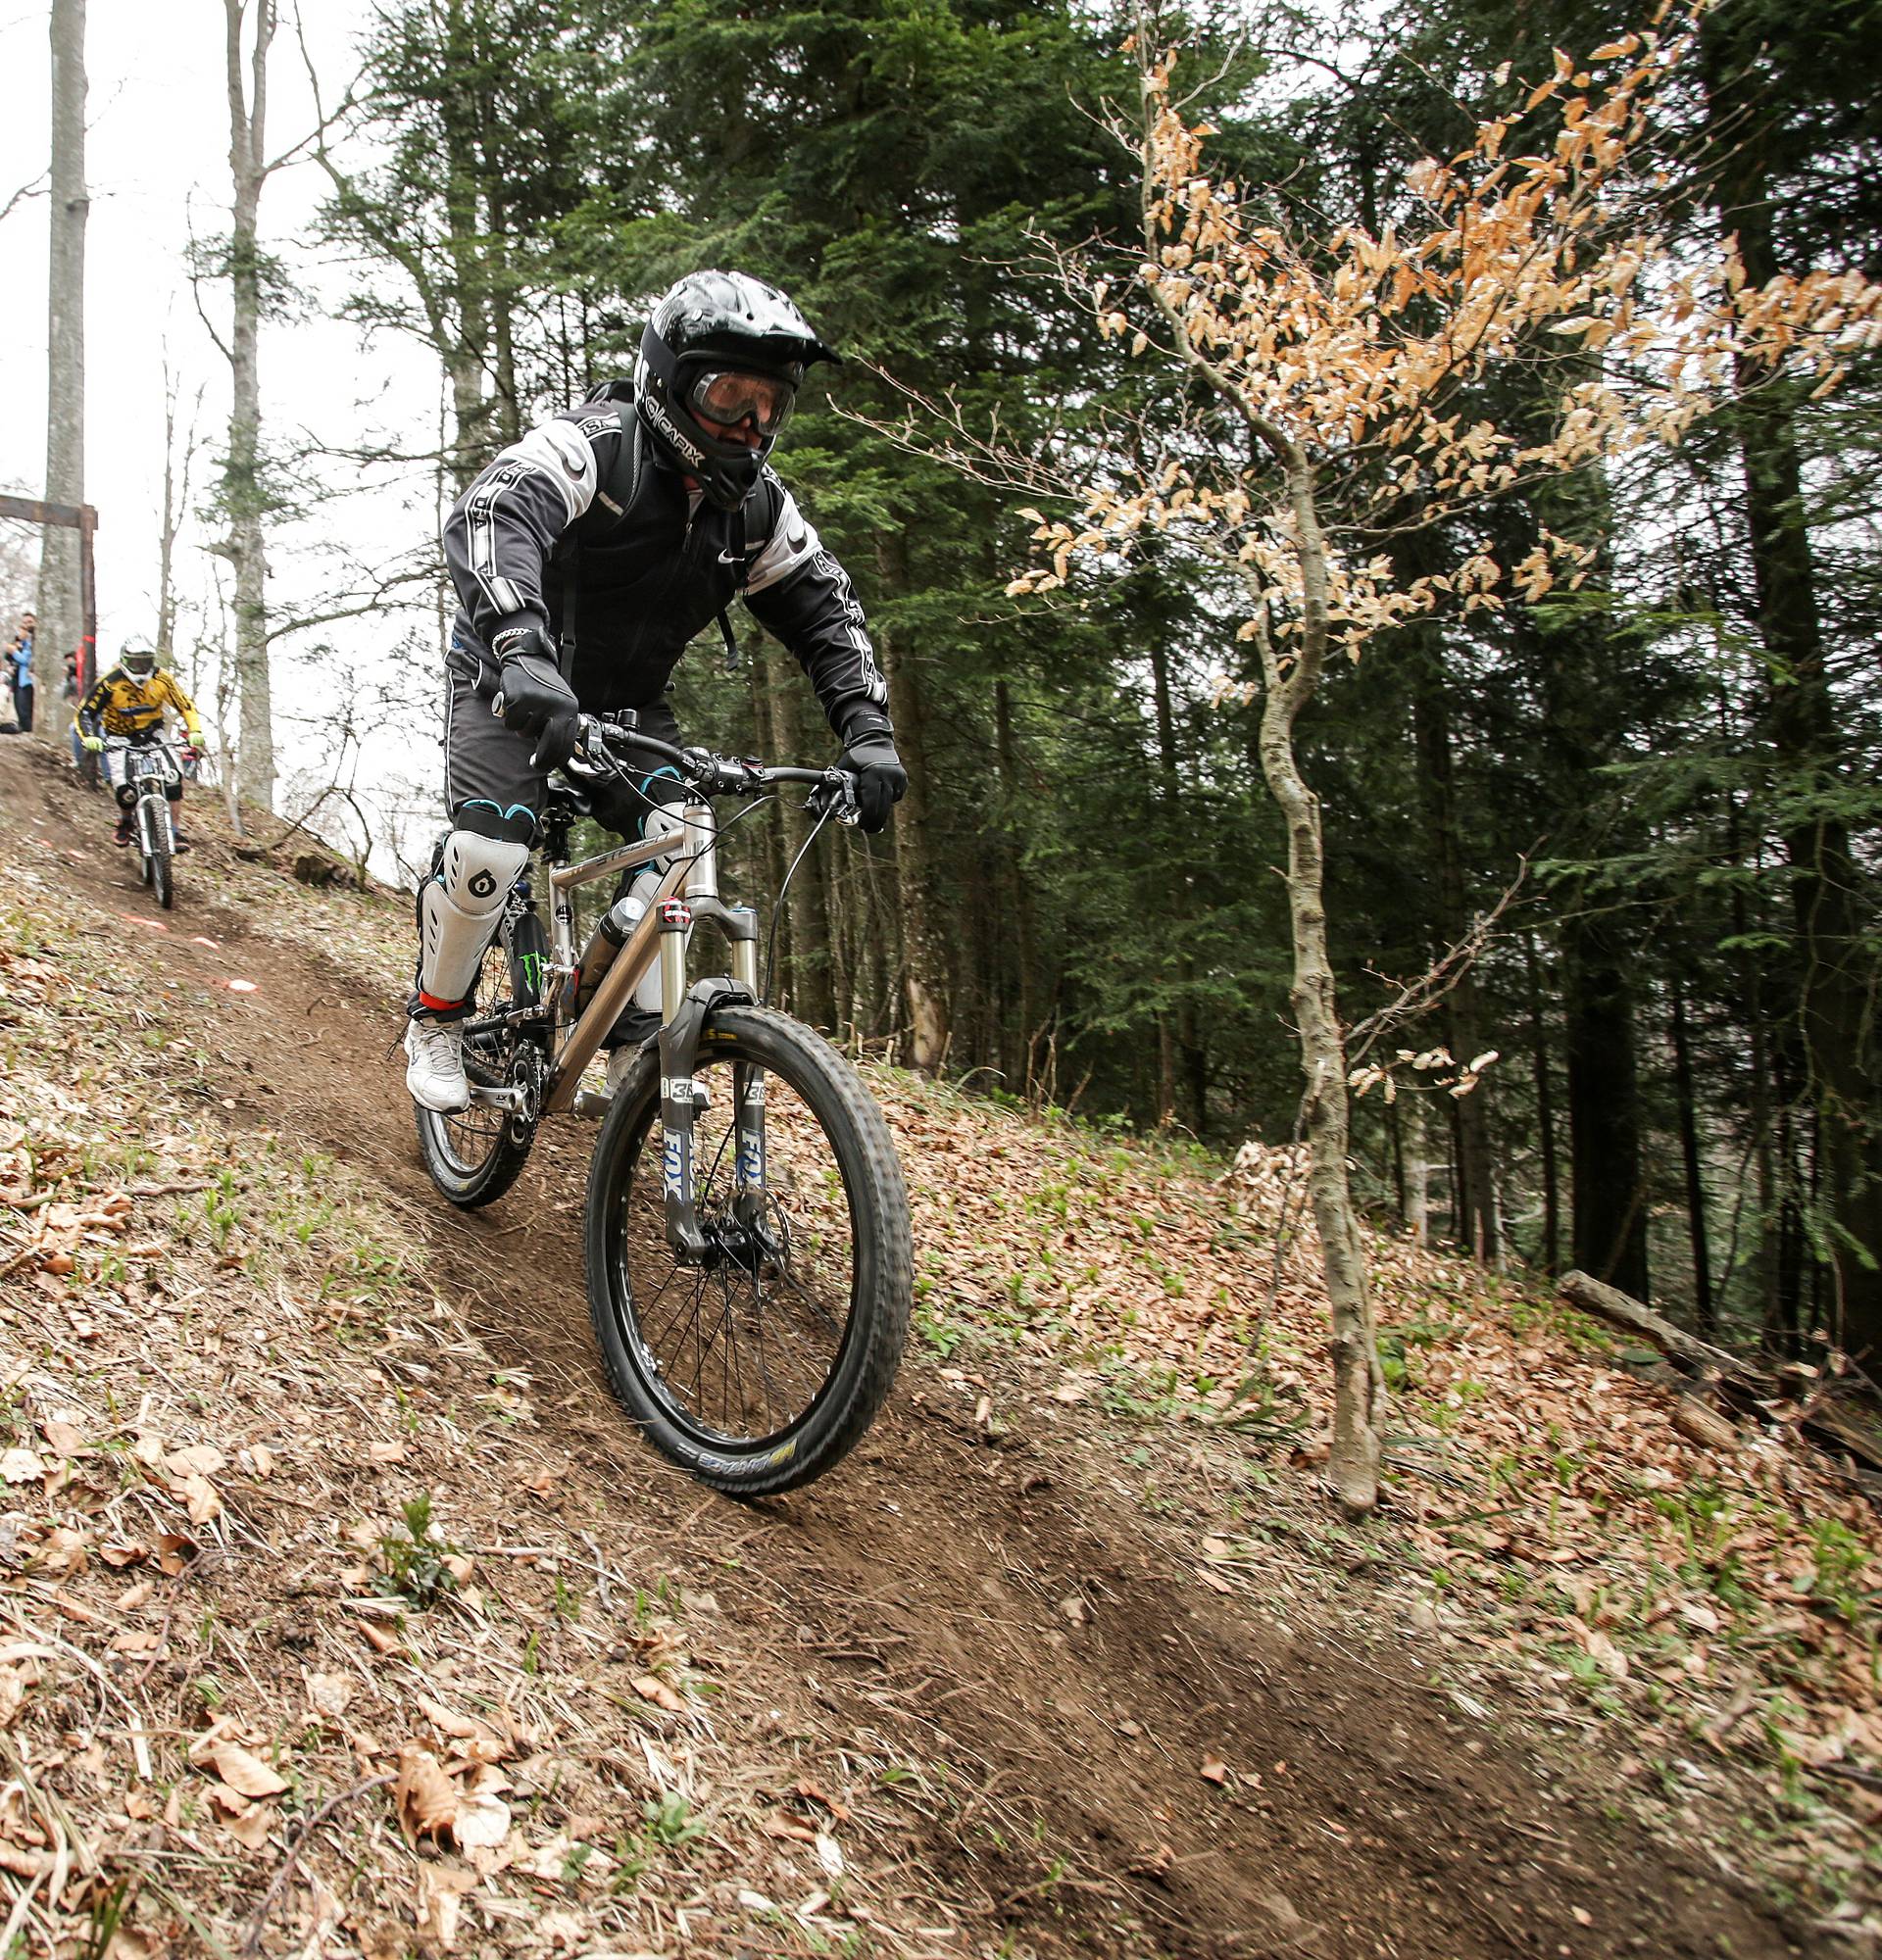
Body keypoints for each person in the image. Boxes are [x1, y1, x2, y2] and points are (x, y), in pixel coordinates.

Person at [403, 269, 907, 1113]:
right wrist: (523, 648)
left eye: (769, 406)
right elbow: (492, 516)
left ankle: (625, 1039)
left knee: (684, 852)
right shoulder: (592, 448)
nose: (751, 427)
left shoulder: (755, 512)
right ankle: (438, 1016)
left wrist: (867, 729)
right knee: (491, 850)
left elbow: (826, 610)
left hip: (629, 705)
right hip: (511, 675)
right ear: (670, 386)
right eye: (728, 397)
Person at [74, 644, 204, 848]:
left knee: (173, 777)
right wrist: (90, 736)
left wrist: (194, 730)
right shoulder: (109, 682)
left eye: (145, 662)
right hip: (118, 737)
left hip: (154, 734)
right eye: (135, 662)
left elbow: (185, 705)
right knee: (125, 790)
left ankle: (174, 831)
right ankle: (126, 821)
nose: (140, 667)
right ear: (124, 661)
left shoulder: (162, 679)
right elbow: (85, 712)